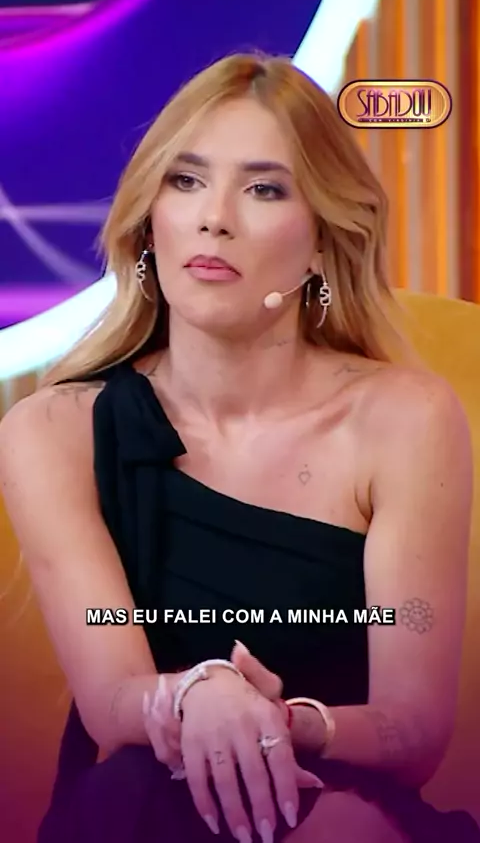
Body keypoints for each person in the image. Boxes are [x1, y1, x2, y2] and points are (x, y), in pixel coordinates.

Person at [0, 51, 478, 843]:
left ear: (322, 240)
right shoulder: (53, 431)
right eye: (186, 181)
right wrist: (193, 696)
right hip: (141, 795)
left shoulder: (405, 419)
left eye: (263, 189)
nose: (214, 217)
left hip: (341, 798)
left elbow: (413, 731)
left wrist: (287, 724)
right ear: (149, 219)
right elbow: (113, 704)